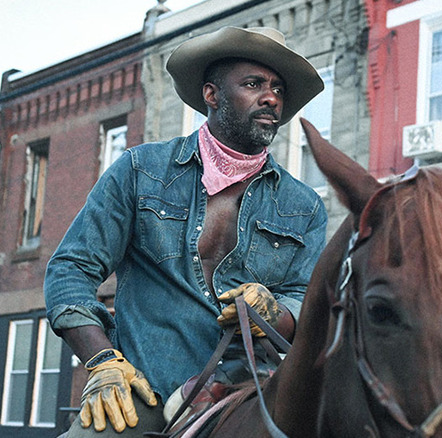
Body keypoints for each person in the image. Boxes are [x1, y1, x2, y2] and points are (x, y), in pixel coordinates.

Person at [44, 26, 327, 437]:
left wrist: (273, 312)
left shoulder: (304, 206)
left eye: (278, 89)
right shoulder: (141, 170)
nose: (271, 98)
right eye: (253, 84)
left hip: (252, 395)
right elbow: (70, 269)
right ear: (211, 95)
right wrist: (102, 361)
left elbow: (305, 302)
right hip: (147, 391)